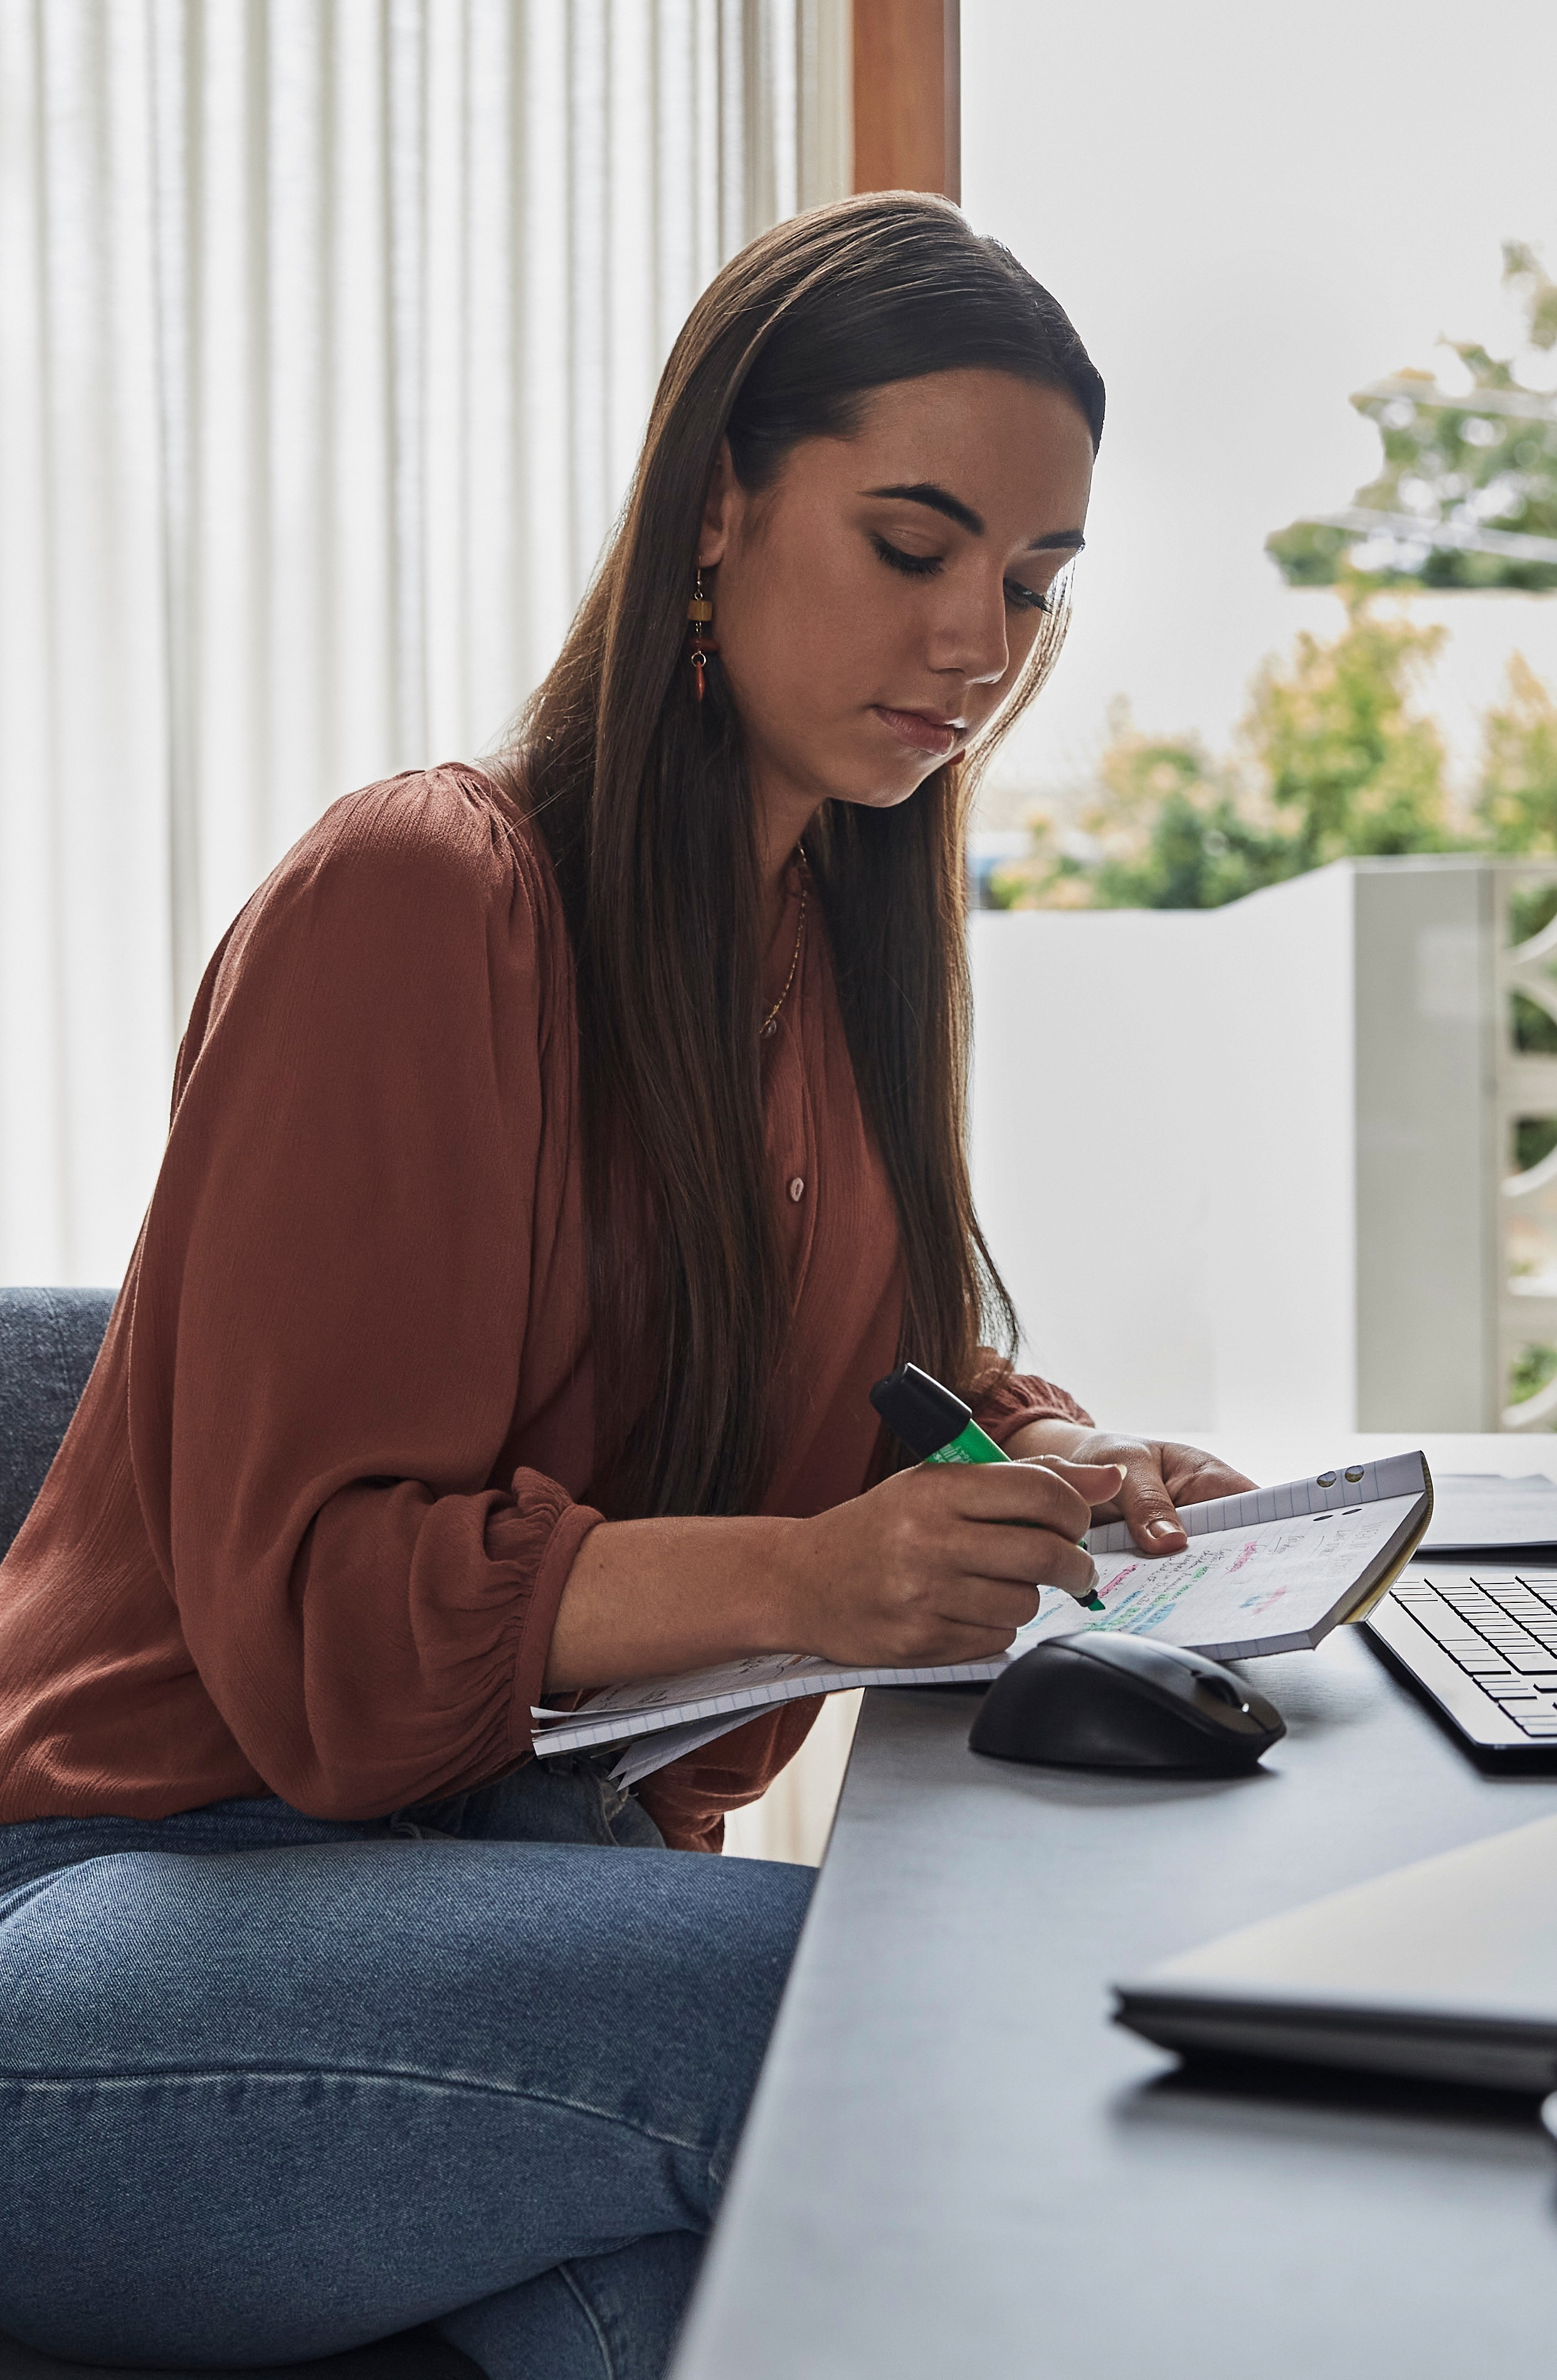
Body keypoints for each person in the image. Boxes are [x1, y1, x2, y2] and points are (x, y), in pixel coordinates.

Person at [0, 194, 1249, 2376]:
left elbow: (861, 1370)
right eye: (914, 545)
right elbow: (323, 1615)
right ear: (718, 509)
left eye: (1035, 589)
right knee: (925, 2006)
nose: (980, 643)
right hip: (126, 1912)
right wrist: (817, 1583)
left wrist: (1047, 1454)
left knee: (715, 2309)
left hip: (436, 1881)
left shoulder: (826, 958)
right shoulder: (425, 894)